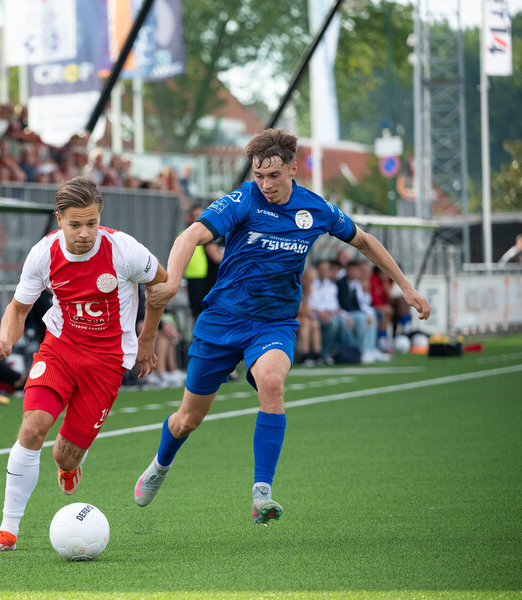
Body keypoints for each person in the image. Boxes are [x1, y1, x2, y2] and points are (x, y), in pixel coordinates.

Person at [131, 128, 431, 526]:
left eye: (274, 176)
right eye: (259, 176)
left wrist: (406, 286)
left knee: (272, 384)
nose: (266, 184)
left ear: (292, 168)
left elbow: (365, 242)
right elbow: (190, 236)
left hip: (273, 323)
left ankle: (261, 493)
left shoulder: (316, 209)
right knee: (188, 419)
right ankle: (160, 464)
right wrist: (172, 280)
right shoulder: (243, 199)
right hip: (222, 319)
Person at [0, 177, 167, 553]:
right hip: (60, 348)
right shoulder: (44, 254)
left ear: (101, 218)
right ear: (58, 218)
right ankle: (7, 530)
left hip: (107, 361)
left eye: (92, 223)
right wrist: (5, 340)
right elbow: (18, 308)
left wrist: (146, 341)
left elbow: (160, 284)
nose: (84, 233)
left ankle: (67, 466)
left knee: (64, 453)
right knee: (33, 427)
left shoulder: (123, 249)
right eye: (75, 224)